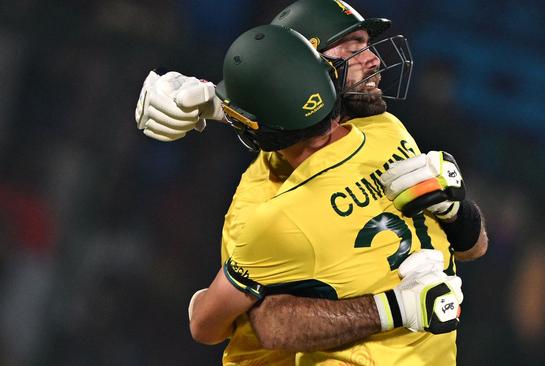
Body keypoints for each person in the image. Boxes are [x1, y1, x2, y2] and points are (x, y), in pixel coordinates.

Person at [134, 0, 488, 364]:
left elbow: (471, 248)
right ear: (307, 66)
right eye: (354, 47)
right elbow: (247, 322)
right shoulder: (264, 207)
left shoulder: (386, 130)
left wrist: (455, 209)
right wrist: (394, 309)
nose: (375, 60)